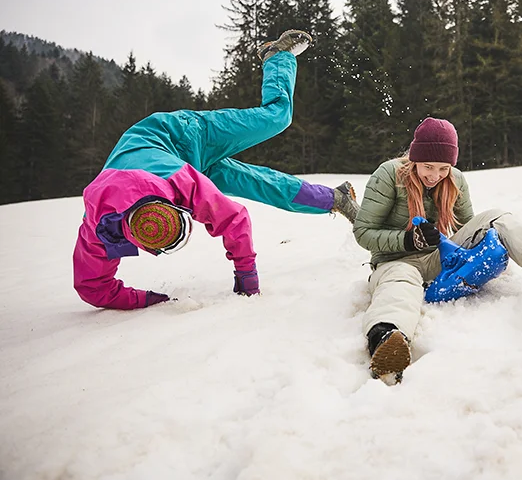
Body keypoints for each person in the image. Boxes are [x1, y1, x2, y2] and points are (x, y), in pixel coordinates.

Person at [73, 29, 359, 310]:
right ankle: (336, 198)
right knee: (260, 184)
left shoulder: (183, 183)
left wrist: (246, 274)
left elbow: (234, 219)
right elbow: (94, 289)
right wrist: (153, 300)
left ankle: (277, 56)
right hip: (181, 167)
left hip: (186, 134)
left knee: (277, 117)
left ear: (172, 206)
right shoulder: (100, 227)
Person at [353, 117, 522, 384]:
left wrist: (489, 252)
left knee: (496, 216)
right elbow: (363, 232)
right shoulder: (388, 175)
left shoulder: (455, 181)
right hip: (395, 261)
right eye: (427, 167)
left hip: (437, 257)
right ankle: (386, 339)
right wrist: (408, 241)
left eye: (443, 168)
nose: (434, 176)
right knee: (400, 283)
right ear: (414, 159)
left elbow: (471, 229)